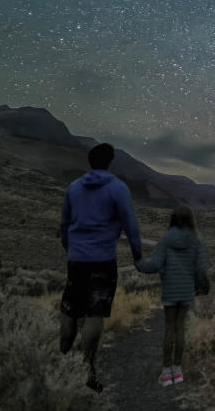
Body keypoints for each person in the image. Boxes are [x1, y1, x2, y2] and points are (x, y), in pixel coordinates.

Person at [59, 143, 142, 392]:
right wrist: (137, 256)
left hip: (76, 259)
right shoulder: (117, 188)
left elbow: (64, 223)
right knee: (95, 313)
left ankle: (61, 361)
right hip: (102, 260)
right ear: (110, 162)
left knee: (70, 307)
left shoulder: (73, 188)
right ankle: (87, 370)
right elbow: (131, 225)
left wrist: (70, 249)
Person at [136, 204, 209, 387]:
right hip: (186, 291)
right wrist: (203, 287)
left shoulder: (167, 239)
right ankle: (178, 370)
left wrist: (138, 262)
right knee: (180, 328)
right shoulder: (197, 240)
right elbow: (201, 269)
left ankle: (166, 372)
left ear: (174, 219)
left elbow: (154, 264)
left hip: (170, 290)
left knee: (169, 328)